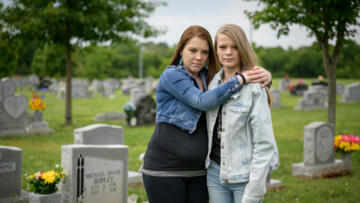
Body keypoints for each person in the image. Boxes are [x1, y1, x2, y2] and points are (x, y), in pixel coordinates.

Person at [142, 25, 272, 203]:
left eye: (204, 52)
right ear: (181, 50)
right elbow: (203, 102)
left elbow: (243, 92)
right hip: (167, 170)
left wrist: (265, 77)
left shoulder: (209, 78)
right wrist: (242, 78)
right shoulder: (172, 75)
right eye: (192, 50)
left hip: (201, 172)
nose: (198, 57)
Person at [205, 24, 279, 203]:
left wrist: (254, 191)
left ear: (242, 49)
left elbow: (264, 143)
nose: (228, 52)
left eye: (235, 47)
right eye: (223, 47)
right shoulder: (211, 83)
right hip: (215, 172)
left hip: (245, 176)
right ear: (216, 50)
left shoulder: (254, 87)